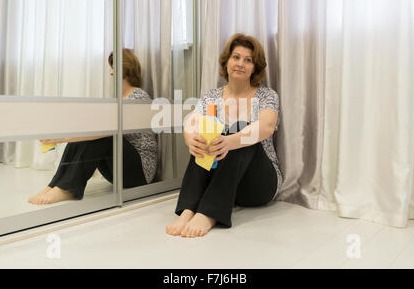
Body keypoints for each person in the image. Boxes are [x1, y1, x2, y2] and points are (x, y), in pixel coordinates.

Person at [166, 33, 282, 238]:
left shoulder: (266, 95)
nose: (240, 63)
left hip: (258, 184)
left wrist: (229, 140)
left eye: (248, 60)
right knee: (203, 133)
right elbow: (191, 122)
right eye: (236, 57)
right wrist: (190, 139)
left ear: (255, 67)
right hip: (221, 183)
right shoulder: (211, 96)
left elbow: (267, 126)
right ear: (227, 62)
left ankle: (209, 213)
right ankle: (188, 209)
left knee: (240, 128)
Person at [28, 49, 157, 205]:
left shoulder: (138, 96)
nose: (110, 74)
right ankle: (55, 184)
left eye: (113, 68)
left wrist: (61, 138)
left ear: (124, 69)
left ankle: (67, 189)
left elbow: (107, 131)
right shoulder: (119, 98)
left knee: (104, 134)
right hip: (121, 170)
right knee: (92, 131)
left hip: (139, 173)